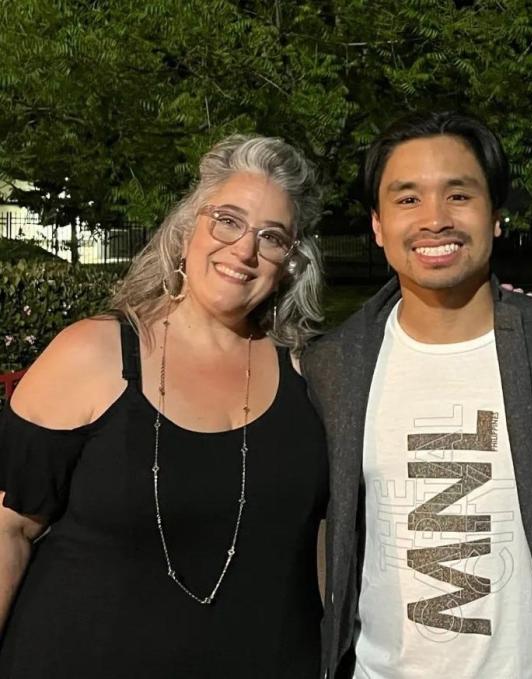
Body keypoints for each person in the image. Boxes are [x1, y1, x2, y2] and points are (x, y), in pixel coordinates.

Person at [301, 111, 532, 679]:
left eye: (459, 195)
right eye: (407, 200)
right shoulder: (333, 366)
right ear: (377, 225)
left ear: (496, 216)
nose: (435, 220)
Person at [0, 135, 328, 677]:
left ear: (290, 264)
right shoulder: (93, 354)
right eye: (227, 220)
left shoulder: (309, 377)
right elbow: (8, 530)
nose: (244, 250)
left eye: (272, 237)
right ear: (186, 231)